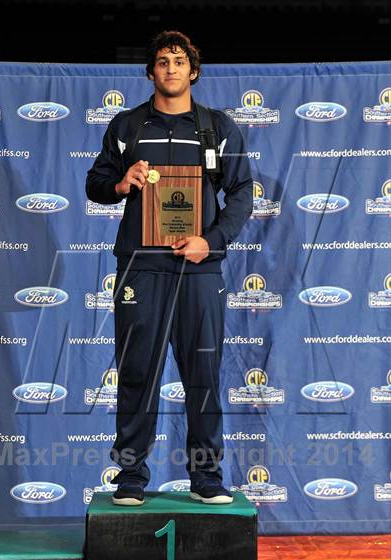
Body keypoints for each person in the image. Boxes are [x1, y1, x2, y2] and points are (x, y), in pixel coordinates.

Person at [86, 30, 253, 506]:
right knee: (138, 372)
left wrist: (211, 240)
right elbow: (95, 182)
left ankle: (206, 479)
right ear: (151, 71)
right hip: (141, 268)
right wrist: (120, 183)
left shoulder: (217, 127)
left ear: (193, 71)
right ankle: (131, 478)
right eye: (162, 61)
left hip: (197, 270)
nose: (171, 68)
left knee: (202, 374)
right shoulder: (127, 125)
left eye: (180, 61)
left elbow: (242, 191)